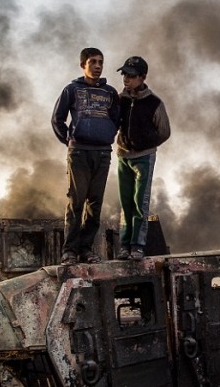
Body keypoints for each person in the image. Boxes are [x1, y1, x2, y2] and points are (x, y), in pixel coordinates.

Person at [51, 47, 120, 264]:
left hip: (102, 153)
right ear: (83, 65)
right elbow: (57, 119)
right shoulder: (72, 89)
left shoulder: (110, 93)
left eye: (101, 62)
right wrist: (70, 140)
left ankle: (86, 249)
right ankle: (69, 251)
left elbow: (116, 120)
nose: (98, 66)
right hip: (79, 153)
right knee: (76, 202)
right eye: (93, 62)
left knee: (95, 203)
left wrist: (106, 134)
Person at [113, 56, 171, 261]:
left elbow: (164, 131)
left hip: (144, 158)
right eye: (124, 75)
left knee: (140, 202)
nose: (126, 79)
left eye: (131, 75)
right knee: (125, 202)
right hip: (123, 156)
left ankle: (137, 246)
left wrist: (145, 143)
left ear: (143, 77)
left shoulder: (154, 103)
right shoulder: (120, 99)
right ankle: (125, 245)